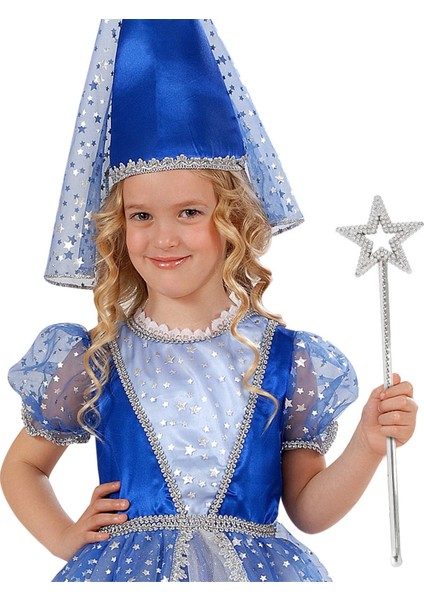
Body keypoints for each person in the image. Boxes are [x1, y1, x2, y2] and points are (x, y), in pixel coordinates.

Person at [0, 19, 417, 583]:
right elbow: (23, 466)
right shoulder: (95, 358)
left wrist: (368, 444)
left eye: (189, 213)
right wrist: (62, 537)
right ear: (119, 227)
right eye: (141, 215)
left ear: (233, 221)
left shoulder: (286, 360)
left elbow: (309, 511)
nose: (163, 237)